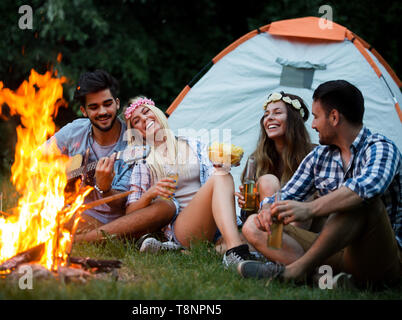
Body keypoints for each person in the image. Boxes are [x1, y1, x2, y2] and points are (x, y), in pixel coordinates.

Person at [238, 80, 402, 288]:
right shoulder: (319, 156)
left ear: (334, 117)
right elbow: (287, 193)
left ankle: (296, 271)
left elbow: (365, 189)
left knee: (358, 201)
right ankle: (325, 278)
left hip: (379, 256)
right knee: (254, 225)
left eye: (315, 117)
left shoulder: (381, 148)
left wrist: (309, 209)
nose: (313, 124)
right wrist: (268, 209)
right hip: (333, 249)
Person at [123, 96, 255, 268]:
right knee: (221, 176)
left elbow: (213, 181)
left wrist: (223, 164)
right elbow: (130, 213)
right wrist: (151, 193)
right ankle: (235, 250)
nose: (144, 119)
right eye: (136, 121)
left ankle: (216, 248)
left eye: (146, 112)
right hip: (184, 227)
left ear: (157, 112)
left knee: (223, 175)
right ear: (137, 132)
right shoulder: (144, 162)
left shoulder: (193, 144)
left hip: (213, 224)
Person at [47, 69, 174, 242]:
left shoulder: (135, 144)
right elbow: (34, 160)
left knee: (166, 207)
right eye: (94, 107)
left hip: (123, 221)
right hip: (80, 215)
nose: (102, 112)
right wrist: (55, 175)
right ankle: (112, 239)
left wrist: (105, 189)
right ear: (84, 111)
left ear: (117, 103)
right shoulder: (74, 131)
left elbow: (124, 206)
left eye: (107, 104)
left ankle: (83, 240)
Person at [237, 92, 316, 263]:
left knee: (307, 194)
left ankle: (279, 251)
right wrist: (246, 204)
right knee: (267, 180)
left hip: (305, 228)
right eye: (266, 115)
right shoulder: (256, 159)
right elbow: (248, 215)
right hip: (264, 225)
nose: (269, 118)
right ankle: (277, 251)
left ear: (294, 119)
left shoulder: (313, 155)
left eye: (277, 113)